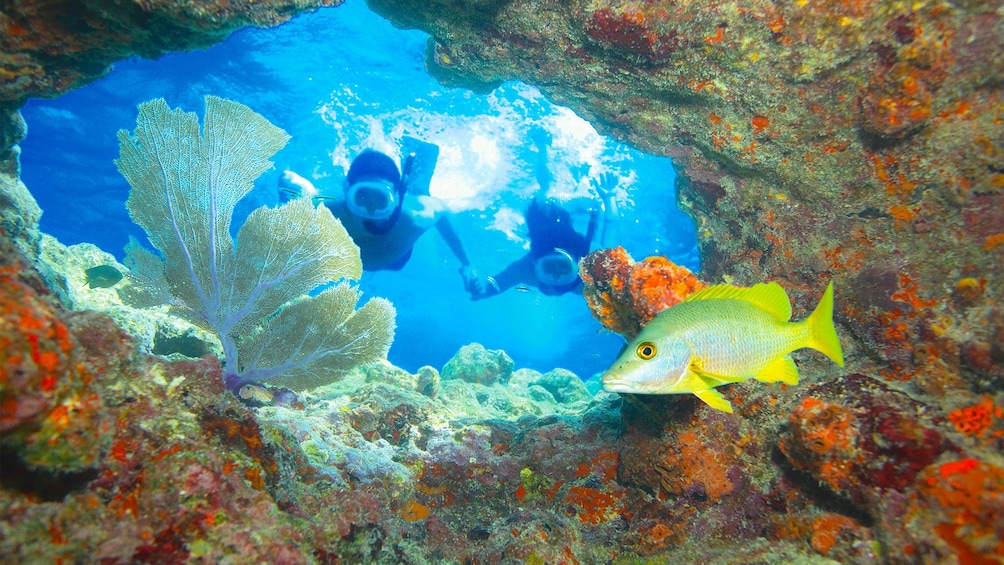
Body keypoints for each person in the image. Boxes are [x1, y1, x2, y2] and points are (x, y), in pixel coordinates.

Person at [279, 143, 481, 292]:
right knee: (304, 196)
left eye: (381, 200)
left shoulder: (412, 218)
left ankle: (416, 168)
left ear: (395, 198)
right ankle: (308, 190)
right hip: (386, 253)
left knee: (419, 191)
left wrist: (467, 263)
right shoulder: (326, 213)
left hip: (396, 259)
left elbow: (442, 210)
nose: (371, 211)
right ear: (347, 190)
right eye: (362, 197)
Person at [469, 131, 618, 300]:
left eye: (550, 268)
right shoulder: (587, 265)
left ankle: (543, 147)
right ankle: (567, 166)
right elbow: (611, 229)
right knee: (567, 197)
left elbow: (495, 285)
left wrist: (481, 290)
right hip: (562, 232)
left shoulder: (527, 270)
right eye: (562, 268)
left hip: (549, 226)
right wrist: (610, 198)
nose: (556, 277)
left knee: (546, 190)